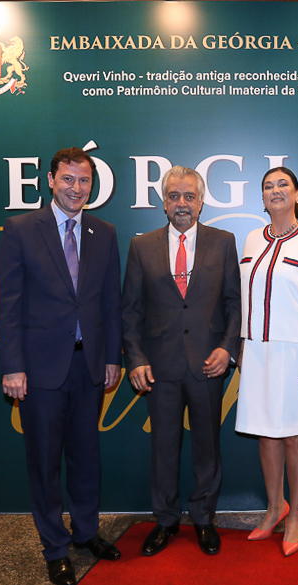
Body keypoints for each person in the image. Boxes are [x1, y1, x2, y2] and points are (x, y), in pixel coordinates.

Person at [0, 147, 122, 585]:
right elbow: (8, 304)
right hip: (39, 370)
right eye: (68, 179)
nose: (76, 188)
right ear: (51, 180)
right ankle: (54, 546)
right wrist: (13, 366)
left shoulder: (105, 232)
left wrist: (113, 356)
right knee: (45, 462)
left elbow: (110, 302)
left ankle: (86, 533)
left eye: (84, 180)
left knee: (87, 457)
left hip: (90, 366)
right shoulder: (20, 229)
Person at [121, 166, 241, 556]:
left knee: (208, 447)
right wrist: (135, 358)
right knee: (163, 447)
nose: (182, 203)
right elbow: (130, 310)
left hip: (209, 363)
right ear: (163, 202)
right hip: (159, 366)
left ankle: (204, 519)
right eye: (174, 196)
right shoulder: (142, 246)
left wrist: (227, 348)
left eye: (189, 196)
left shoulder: (223, 242)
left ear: (201, 202)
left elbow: (234, 303)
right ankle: (166, 520)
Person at [235, 167, 298, 557]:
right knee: (266, 433)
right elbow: (243, 298)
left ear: (297, 195)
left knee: (295, 435)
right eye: (268, 186)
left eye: (283, 185)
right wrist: (241, 344)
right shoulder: (250, 238)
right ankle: (276, 507)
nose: (274, 191)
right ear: (262, 198)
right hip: (258, 353)